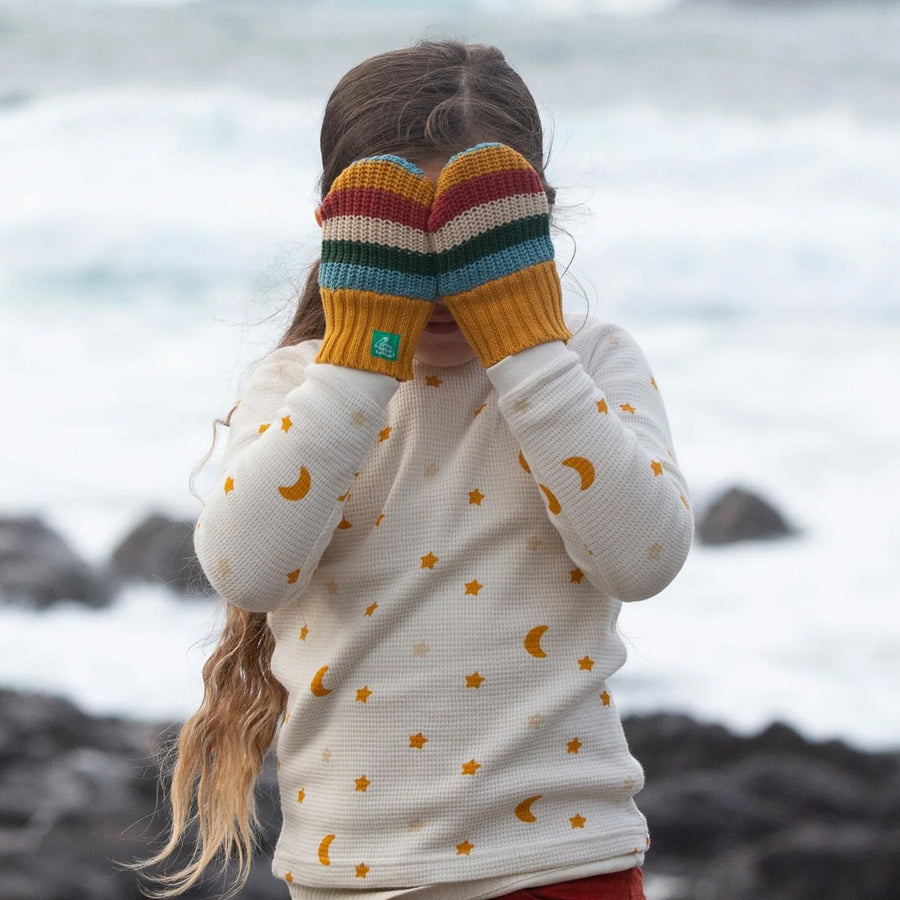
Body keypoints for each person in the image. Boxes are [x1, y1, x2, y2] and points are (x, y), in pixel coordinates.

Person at [142, 40, 693, 900]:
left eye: (476, 236)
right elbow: (246, 568)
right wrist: (363, 361)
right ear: (341, 227)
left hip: (561, 859)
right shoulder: (305, 390)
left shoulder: (587, 369)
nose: (440, 276)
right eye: (404, 239)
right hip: (349, 874)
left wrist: (522, 347)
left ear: (534, 222)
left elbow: (644, 556)